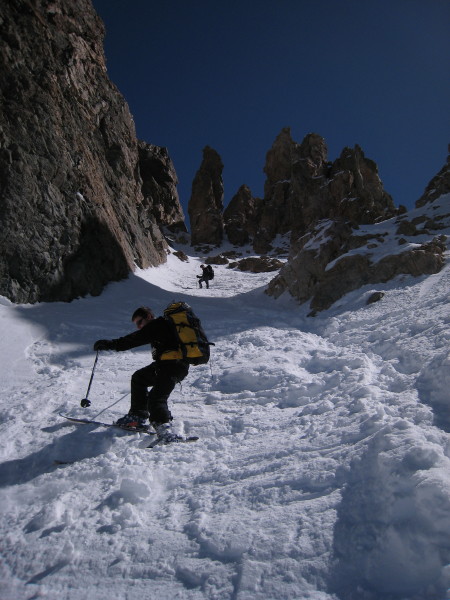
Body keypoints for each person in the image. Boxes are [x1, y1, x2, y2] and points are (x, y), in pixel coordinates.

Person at [93, 306, 189, 443]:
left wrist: (110, 344)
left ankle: (165, 431)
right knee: (139, 378)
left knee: (156, 398)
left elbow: (134, 339)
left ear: (149, 317)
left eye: (140, 322)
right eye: (137, 324)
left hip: (173, 366)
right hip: (166, 365)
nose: (139, 327)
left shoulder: (157, 325)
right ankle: (137, 417)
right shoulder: (161, 326)